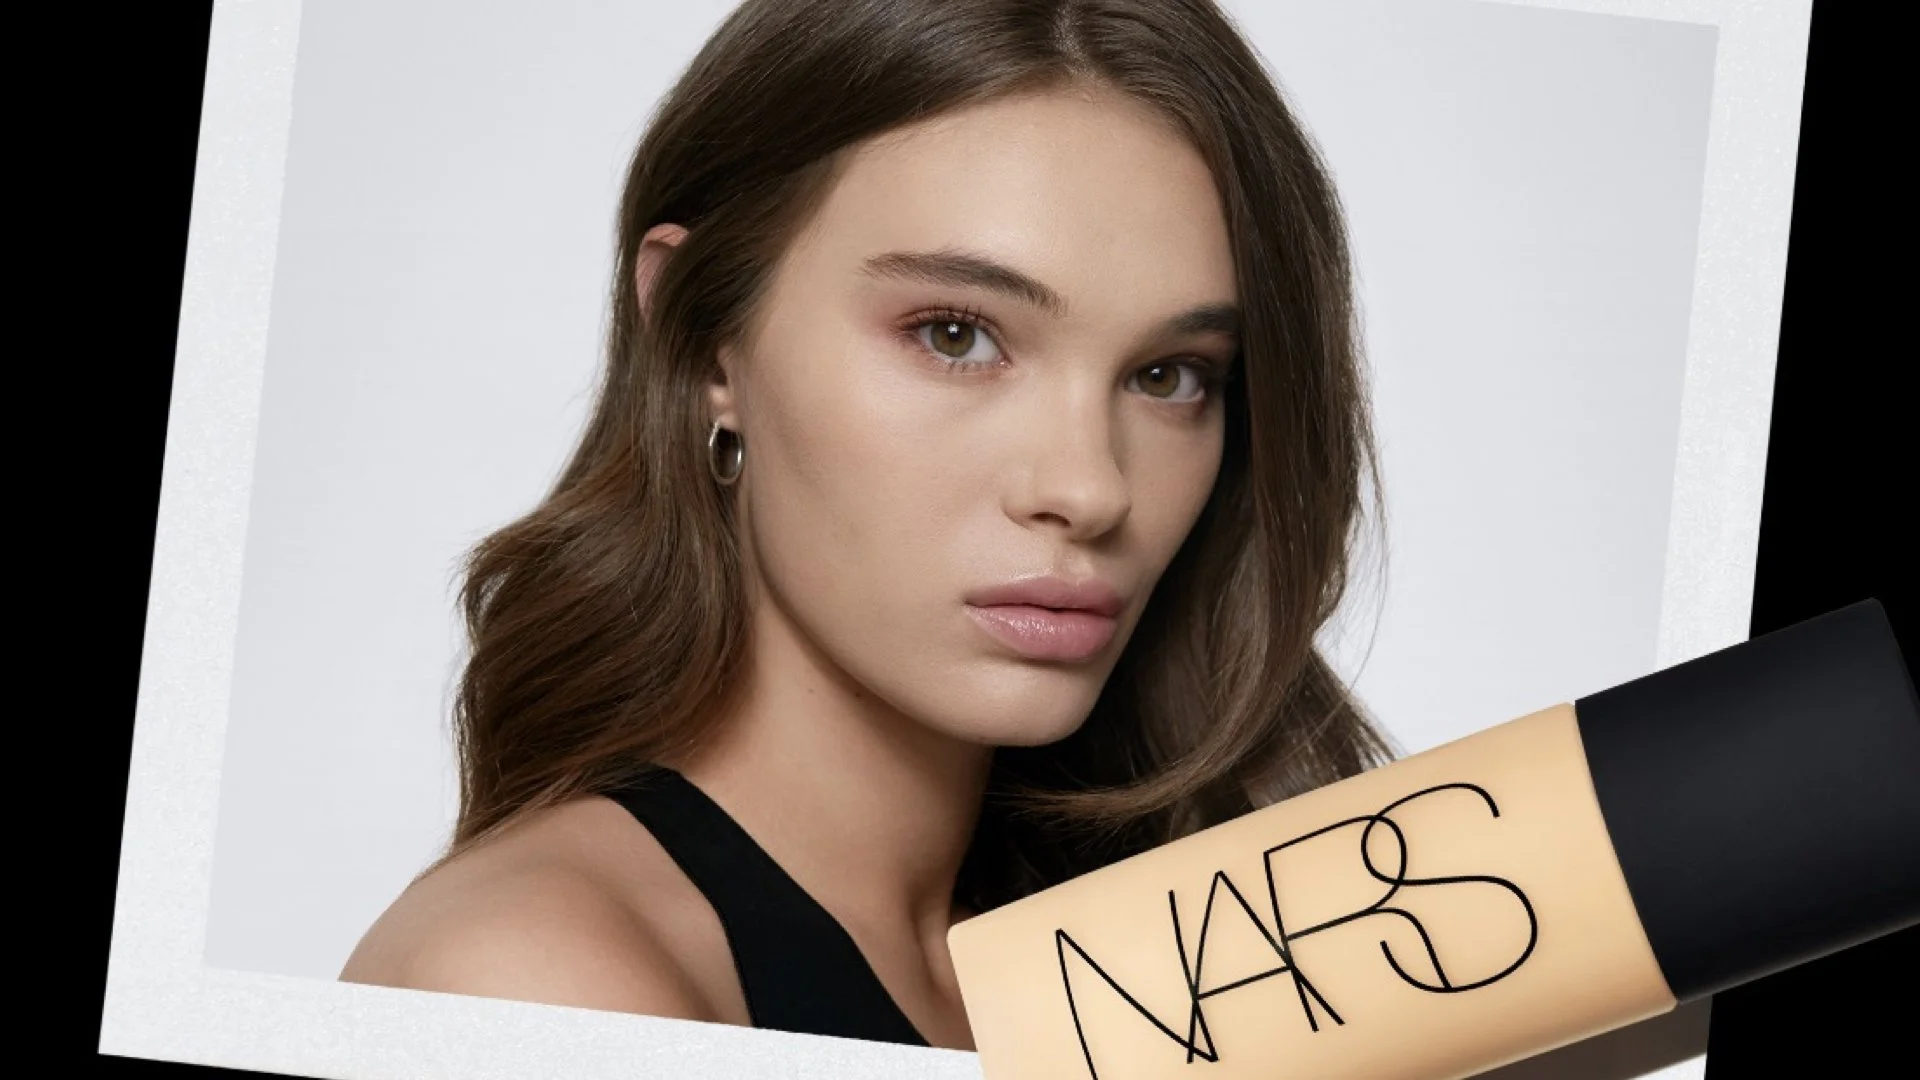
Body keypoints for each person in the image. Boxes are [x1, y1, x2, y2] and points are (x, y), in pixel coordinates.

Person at [341, 0, 1389, 1051]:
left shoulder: (1162, 970)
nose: (1090, 487)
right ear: (710, 346)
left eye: (1170, 376)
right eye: (955, 335)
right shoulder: (539, 979)